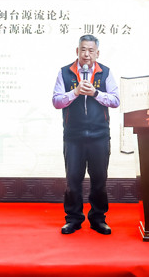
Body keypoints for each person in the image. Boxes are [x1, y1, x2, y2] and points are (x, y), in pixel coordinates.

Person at [52, 34, 120, 234]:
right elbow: (56, 101)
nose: (87, 54)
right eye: (83, 50)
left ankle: (98, 219)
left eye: (91, 50)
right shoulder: (65, 72)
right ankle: (73, 219)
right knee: (73, 181)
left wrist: (95, 93)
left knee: (99, 181)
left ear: (97, 53)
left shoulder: (105, 72)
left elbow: (116, 101)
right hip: (73, 137)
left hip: (99, 136)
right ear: (77, 51)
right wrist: (75, 92)